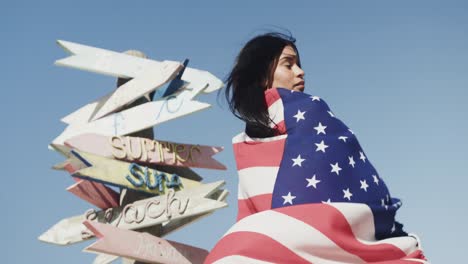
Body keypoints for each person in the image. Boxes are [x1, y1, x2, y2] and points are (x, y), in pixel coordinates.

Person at [205, 32, 427, 263]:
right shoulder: (256, 138)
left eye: (298, 65)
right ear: (262, 75)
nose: (300, 72)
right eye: (288, 65)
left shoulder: (245, 144)